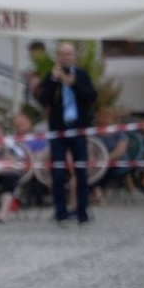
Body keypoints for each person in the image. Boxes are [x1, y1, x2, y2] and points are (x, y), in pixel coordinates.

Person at [33, 41, 98, 224]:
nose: (66, 58)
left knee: (81, 171)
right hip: (59, 130)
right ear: (58, 57)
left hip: (78, 128)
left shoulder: (82, 75)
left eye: (69, 54)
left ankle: (82, 212)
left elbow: (91, 97)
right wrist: (54, 80)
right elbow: (43, 99)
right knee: (59, 172)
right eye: (62, 54)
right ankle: (61, 212)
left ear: (75, 57)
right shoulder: (51, 76)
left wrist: (73, 83)